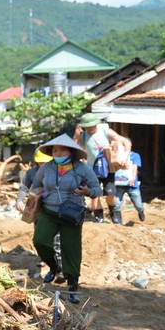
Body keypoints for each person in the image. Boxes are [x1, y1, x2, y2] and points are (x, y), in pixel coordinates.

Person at [28, 134, 101, 304]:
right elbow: (36, 185)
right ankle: (54, 267)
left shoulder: (82, 169)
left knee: (71, 250)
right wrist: (37, 193)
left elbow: (97, 189)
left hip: (72, 214)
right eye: (55, 150)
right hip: (49, 211)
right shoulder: (46, 168)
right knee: (40, 241)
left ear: (71, 152)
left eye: (62, 150)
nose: (58, 153)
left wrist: (87, 192)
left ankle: (73, 286)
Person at [75, 113, 131, 224]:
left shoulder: (105, 131)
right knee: (94, 194)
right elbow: (74, 148)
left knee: (110, 194)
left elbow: (125, 142)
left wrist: (125, 157)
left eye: (92, 126)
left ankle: (114, 214)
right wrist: (76, 135)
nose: (90, 129)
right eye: (87, 127)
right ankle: (98, 217)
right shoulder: (84, 136)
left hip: (107, 168)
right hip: (91, 169)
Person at [114, 150, 146, 223]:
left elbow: (135, 167)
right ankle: (118, 221)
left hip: (131, 184)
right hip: (118, 184)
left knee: (138, 204)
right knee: (116, 203)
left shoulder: (134, 155)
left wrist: (133, 177)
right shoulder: (116, 155)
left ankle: (141, 211)